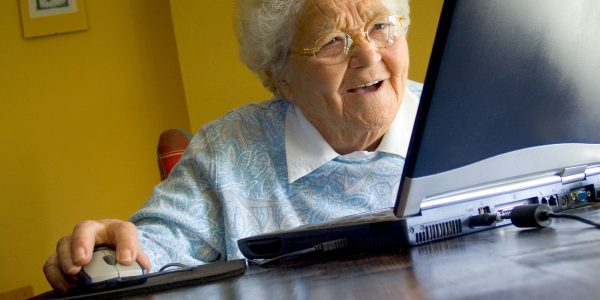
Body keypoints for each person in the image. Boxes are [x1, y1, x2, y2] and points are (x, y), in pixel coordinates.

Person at [43, 0, 422, 293]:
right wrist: (110, 249)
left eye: (380, 26)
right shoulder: (230, 150)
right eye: (332, 42)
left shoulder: (466, 112)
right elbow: (153, 249)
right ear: (279, 75)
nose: (369, 55)